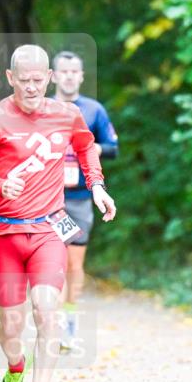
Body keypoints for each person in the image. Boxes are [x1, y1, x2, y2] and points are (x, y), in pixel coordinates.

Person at [0, 45, 117, 382]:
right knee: (11, 326)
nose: (31, 88)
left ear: (49, 78)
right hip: (5, 234)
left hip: (48, 230)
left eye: (37, 80)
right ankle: (15, 367)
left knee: (48, 312)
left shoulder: (68, 115)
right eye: (23, 80)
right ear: (11, 78)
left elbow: (87, 149)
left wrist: (96, 186)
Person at [51, 51, 119, 350]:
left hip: (78, 198)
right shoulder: (42, 108)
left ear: (80, 76)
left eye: (73, 71)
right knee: (52, 260)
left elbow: (113, 147)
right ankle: (49, 324)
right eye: (62, 71)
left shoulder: (93, 110)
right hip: (47, 200)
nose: (68, 76)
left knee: (74, 263)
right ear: (53, 76)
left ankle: (68, 323)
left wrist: (88, 150)